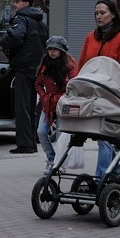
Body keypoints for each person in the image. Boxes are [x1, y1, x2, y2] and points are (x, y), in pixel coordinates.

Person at [77, 0, 120, 184]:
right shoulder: (90, 38)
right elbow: (83, 65)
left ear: (113, 14)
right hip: (92, 96)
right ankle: (115, 171)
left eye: (102, 12)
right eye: (96, 13)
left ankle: (102, 176)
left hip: (113, 97)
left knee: (105, 137)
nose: (99, 16)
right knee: (103, 137)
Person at [0, 0, 48, 154]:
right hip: (37, 68)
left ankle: (25, 144)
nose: (14, 5)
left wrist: (2, 42)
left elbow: (14, 36)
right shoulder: (41, 21)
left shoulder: (21, 19)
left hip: (24, 68)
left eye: (17, 2)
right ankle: (32, 140)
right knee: (33, 108)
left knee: (22, 107)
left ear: (25, 3)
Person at [35, 36, 78, 173]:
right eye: (50, 49)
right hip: (48, 104)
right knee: (41, 132)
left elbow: (75, 83)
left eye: (55, 49)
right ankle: (51, 159)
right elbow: (38, 84)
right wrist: (43, 96)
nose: (52, 52)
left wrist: (68, 97)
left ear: (61, 51)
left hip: (63, 104)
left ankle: (60, 163)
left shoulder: (69, 64)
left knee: (61, 135)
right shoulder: (44, 64)